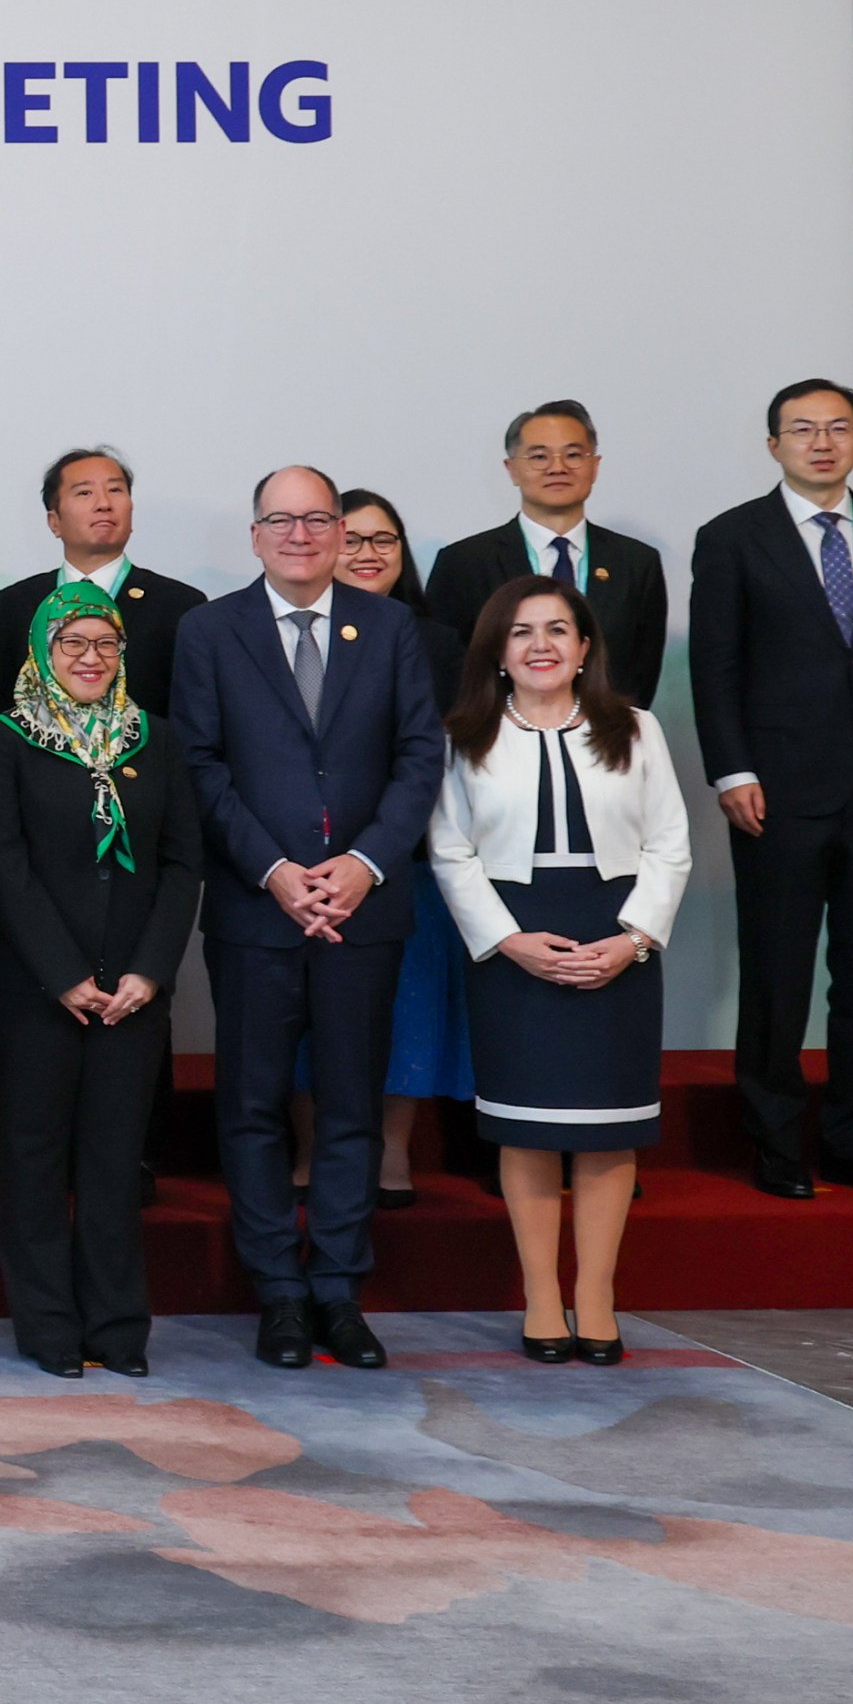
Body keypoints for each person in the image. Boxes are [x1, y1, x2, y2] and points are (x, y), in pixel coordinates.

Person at [173, 465, 448, 1373]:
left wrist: (364, 865)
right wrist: (274, 871)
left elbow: (419, 756)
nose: (299, 535)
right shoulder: (210, 631)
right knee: (252, 1106)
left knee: (350, 1106)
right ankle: (278, 1294)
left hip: (363, 909)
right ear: (254, 535)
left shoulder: (390, 627)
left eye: (316, 519)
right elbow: (199, 764)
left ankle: (336, 1287)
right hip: (256, 908)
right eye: (280, 520)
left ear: (338, 532)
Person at [689, 377, 853, 1200]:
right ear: (773, 444)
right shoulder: (731, 537)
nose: (820, 442)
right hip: (776, 792)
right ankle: (773, 1141)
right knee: (777, 974)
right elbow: (714, 666)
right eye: (802, 429)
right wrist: (732, 770)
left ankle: (850, 1138)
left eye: (837, 428)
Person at [429, 580, 695, 1362]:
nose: (539, 645)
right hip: (513, 940)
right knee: (528, 1131)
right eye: (520, 632)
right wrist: (506, 940)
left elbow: (668, 845)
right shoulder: (463, 735)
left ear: (583, 649)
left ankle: (596, 1296)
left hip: (615, 934)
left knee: (608, 1131)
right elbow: (449, 850)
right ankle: (542, 1297)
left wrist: (632, 940)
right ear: (496, 652)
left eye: (556, 630)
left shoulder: (635, 729)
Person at [0, 579, 200, 1377]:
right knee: (34, 1158)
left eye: (105, 643)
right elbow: (3, 864)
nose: (90, 657)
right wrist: (65, 975)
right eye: (72, 642)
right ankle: (47, 1327)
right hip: (34, 990)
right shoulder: (5, 737)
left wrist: (149, 972)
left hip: (133, 993)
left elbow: (180, 864)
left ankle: (116, 1326)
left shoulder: (153, 738)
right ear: (42, 650)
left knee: (112, 1161)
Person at [329, 492, 469, 1207]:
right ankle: (311, 1148)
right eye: (352, 538)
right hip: (311, 862)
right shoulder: (293, 629)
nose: (368, 553)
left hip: (408, 853)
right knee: (312, 1018)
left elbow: (446, 753)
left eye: (383, 540)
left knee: (407, 1009)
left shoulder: (438, 642)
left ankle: (391, 1151)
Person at [425, 401, 673, 707]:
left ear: (595, 466)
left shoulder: (636, 563)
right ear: (512, 469)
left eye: (573, 455)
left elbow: (641, 675)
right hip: (494, 732)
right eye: (539, 456)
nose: (558, 468)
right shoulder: (463, 563)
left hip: (608, 731)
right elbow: (446, 671)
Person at [0, 447, 205, 717]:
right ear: (54, 522)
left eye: (115, 490)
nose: (104, 504)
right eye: (84, 493)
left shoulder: (179, 604)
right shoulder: (18, 603)